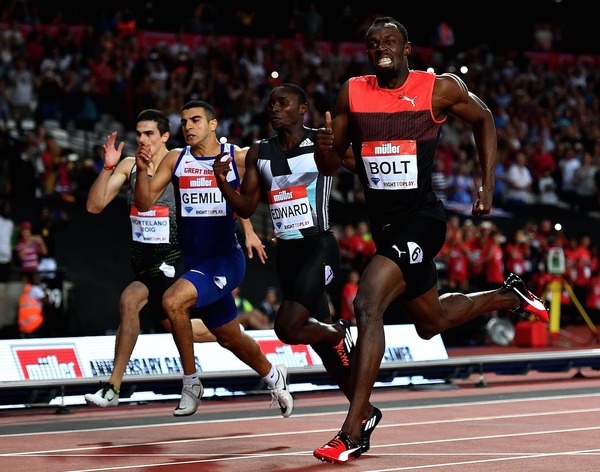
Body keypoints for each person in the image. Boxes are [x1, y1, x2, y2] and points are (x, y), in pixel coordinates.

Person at [312, 17, 550, 463]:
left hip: (423, 220)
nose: (381, 47)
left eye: (389, 41)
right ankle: (507, 296)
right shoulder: (352, 92)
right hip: (383, 225)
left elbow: (485, 119)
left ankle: (354, 427)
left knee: (367, 305)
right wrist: (327, 148)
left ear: (406, 48)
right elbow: (333, 165)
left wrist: (487, 186)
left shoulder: (438, 88)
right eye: (373, 43)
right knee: (431, 321)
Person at [213, 83, 380, 454]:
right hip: (287, 254)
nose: (274, 108)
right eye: (271, 103)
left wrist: (334, 148)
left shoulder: (321, 142)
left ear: (302, 108)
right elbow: (246, 206)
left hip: (319, 248)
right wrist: (223, 181)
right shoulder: (260, 151)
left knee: (287, 327)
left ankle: (336, 332)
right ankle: (363, 412)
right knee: (321, 349)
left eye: (283, 102)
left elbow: (349, 168)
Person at [134, 100, 293, 418]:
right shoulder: (176, 159)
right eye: (184, 122)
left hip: (224, 261)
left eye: (195, 120)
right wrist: (141, 169)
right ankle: (274, 375)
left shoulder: (238, 156)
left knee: (172, 302)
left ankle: (191, 383)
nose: (188, 127)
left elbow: (279, 182)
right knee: (229, 337)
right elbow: (146, 202)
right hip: (195, 263)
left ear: (212, 124)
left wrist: (277, 224)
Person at [84, 109, 217, 408]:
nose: (142, 139)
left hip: (174, 260)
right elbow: (94, 207)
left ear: (165, 136)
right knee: (182, 328)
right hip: (144, 264)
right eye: (139, 133)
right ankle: (232, 333)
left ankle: (112, 388)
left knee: (130, 301)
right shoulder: (130, 166)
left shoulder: (182, 164)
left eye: (149, 134)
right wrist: (107, 168)